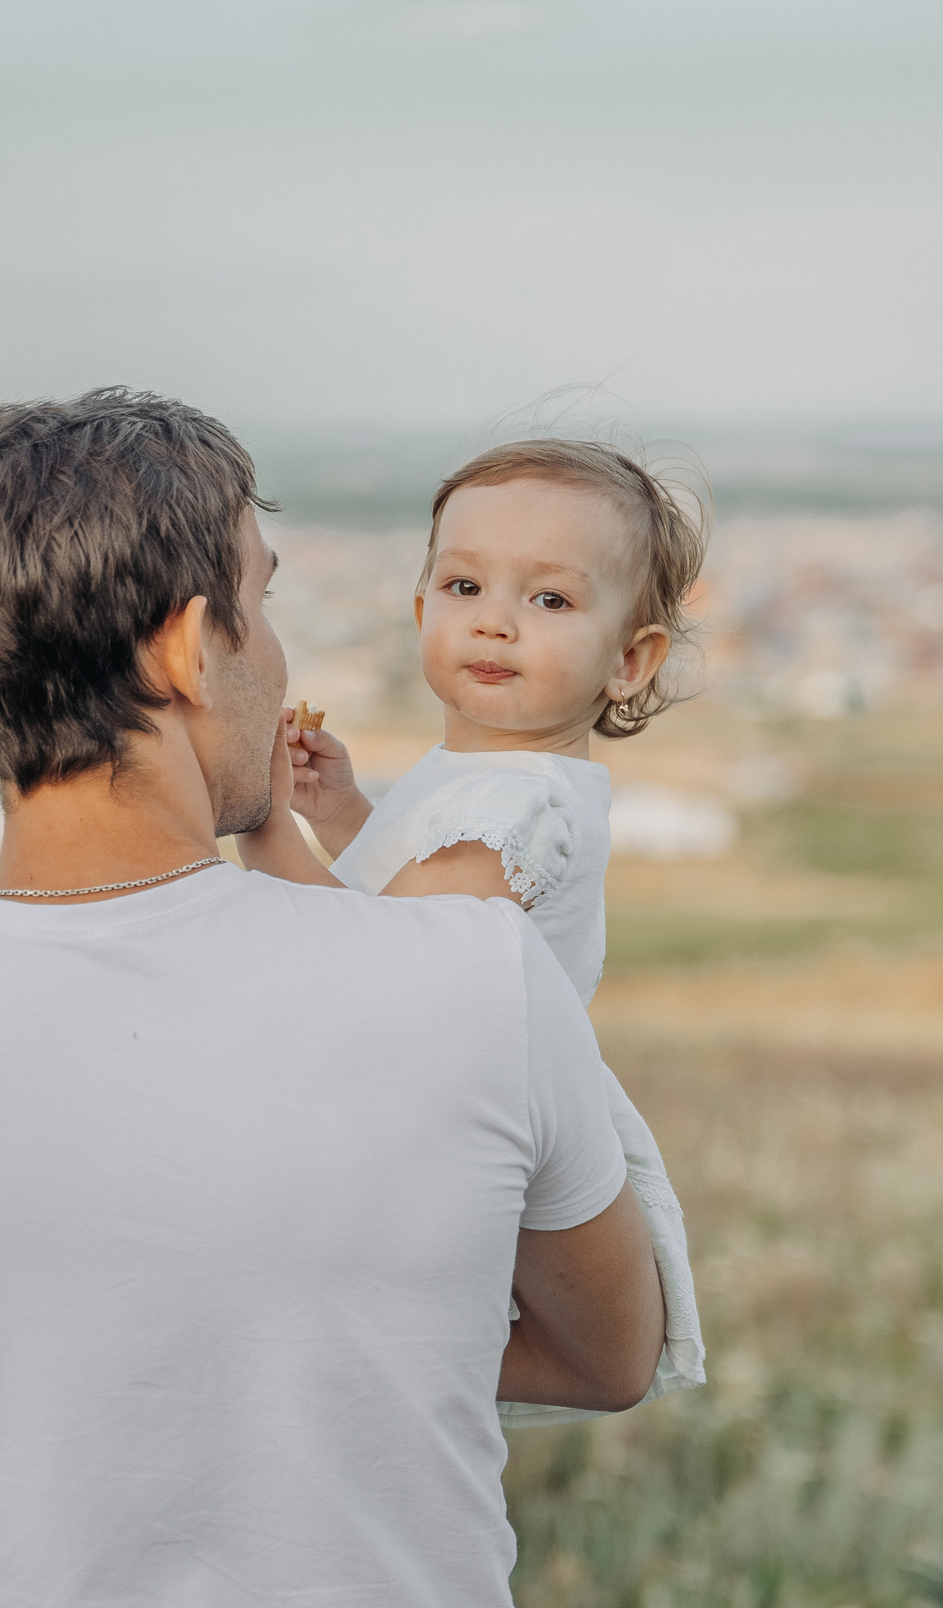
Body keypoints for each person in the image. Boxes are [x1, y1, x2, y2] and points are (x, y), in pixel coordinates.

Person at [0, 390, 664, 1608]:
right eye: (263, 595)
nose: (279, 651)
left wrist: (25, 1406)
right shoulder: (477, 979)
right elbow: (612, 1353)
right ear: (194, 647)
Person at [234, 439, 707, 1425]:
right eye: (463, 586)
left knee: (384, 1330)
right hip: (443, 1087)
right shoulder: (488, 781)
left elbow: (373, 970)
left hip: (458, 1116)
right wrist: (345, 814)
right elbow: (412, 892)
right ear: (423, 613)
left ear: (630, 660)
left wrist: (264, 823)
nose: (494, 619)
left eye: (550, 599)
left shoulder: (519, 808)